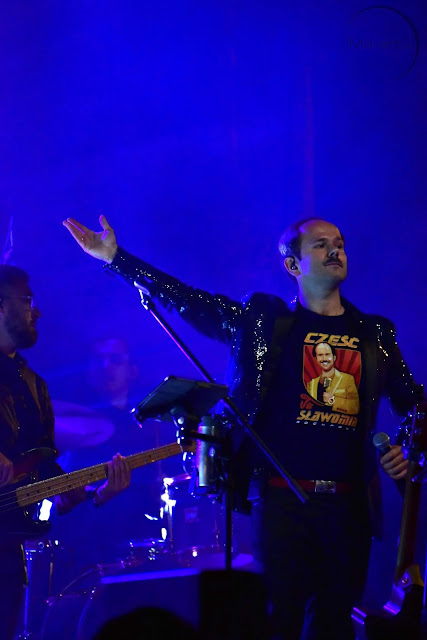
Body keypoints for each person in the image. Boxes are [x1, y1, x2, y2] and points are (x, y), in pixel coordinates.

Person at [63, 214, 424, 640]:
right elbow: (188, 300)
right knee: (280, 620)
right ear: (293, 265)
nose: (335, 250)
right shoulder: (263, 322)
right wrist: (117, 258)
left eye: (340, 243)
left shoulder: (373, 333)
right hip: (282, 499)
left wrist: (405, 449)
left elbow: (415, 405)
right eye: (321, 244)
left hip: (349, 505)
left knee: (334, 622)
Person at [0, 265, 132, 640]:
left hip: (8, 549)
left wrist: (96, 494)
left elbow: (45, 474)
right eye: (27, 301)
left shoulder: (34, 386)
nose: (37, 312)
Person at [49, 335, 180, 576]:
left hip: (144, 533)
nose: (106, 365)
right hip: (88, 541)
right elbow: (64, 505)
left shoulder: (152, 425)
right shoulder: (74, 426)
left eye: (115, 359)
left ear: (132, 370)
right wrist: (100, 495)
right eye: (99, 359)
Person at [306, 342, 360, 414]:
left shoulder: (347, 379)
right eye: (320, 355)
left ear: (334, 358)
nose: (324, 358)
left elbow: (356, 407)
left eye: (327, 354)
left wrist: (333, 400)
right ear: (316, 359)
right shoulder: (311, 384)